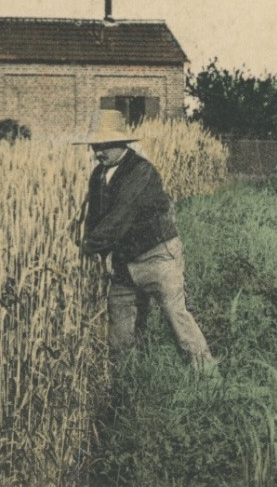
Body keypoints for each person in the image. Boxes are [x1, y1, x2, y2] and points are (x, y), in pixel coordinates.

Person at [77, 109, 216, 369]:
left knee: (176, 316)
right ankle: (129, 379)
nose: (99, 152)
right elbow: (94, 218)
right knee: (120, 328)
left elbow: (119, 218)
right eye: (96, 145)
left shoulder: (141, 172)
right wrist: (91, 241)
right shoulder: (98, 175)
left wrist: (83, 248)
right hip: (123, 262)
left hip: (157, 255)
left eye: (105, 146)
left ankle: (207, 374)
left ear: (122, 143)